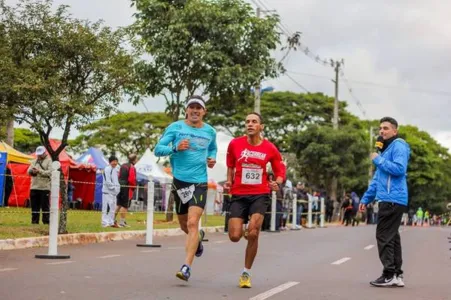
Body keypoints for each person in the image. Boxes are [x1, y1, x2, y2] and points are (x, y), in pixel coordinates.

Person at [154, 95, 217, 282]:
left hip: (199, 182)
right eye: (192, 107)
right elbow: (158, 149)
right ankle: (197, 241)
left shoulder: (210, 131)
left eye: (199, 108)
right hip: (180, 182)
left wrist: (212, 159)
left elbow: (212, 149)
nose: (195, 110)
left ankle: (186, 267)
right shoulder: (175, 128)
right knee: (184, 225)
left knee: (192, 223)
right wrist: (175, 147)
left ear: (204, 111)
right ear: (186, 110)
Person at [225, 112, 285, 288]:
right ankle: (244, 231)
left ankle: (246, 273)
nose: (250, 124)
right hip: (238, 194)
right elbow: (230, 165)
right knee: (235, 236)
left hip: (260, 193)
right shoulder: (235, 144)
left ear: (261, 127)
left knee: (253, 232)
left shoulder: (270, 148)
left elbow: (279, 169)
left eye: (254, 122)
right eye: (247, 121)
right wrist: (229, 180)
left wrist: (277, 182)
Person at [359, 117, 410, 288]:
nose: (382, 131)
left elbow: (399, 169)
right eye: (380, 128)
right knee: (392, 238)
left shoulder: (399, 145)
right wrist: (366, 198)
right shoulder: (384, 152)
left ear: (395, 131)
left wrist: (378, 160)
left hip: (392, 200)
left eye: (386, 128)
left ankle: (389, 274)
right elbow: (376, 180)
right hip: (389, 199)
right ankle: (396, 274)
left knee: (383, 236)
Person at [28, 146, 52, 224]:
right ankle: (34, 222)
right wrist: (32, 171)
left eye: (41, 154)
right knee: (34, 206)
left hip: (44, 188)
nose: (39, 155)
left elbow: (50, 172)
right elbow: (28, 171)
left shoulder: (49, 161)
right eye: (38, 154)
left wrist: (39, 171)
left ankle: (46, 222)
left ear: (45, 152)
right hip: (34, 187)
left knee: (45, 206)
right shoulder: (34, 161)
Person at [115, 154, 137, 227]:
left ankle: (111, 220)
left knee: (118, 204)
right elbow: (131, 179)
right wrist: (133, 187)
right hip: (127, 187)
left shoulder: (123, 165)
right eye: (136, 159)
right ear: (134, 160)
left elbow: (119, 176)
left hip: (119, 185)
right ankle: (122, 222)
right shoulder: (132, 167)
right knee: (125, 205)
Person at [102, 156, 120, 228]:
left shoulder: (115, 170)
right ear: (110, 162)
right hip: (107, 192)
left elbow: (116, 181)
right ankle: (104, 223)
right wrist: (114, 188)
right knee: (106, 208)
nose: (115, 163)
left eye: (116, 161)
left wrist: (117, 189)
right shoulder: (107, 169)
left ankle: (111, 222)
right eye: (113, 161)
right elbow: (107, 181)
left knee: (112, 208)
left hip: (114, 193)